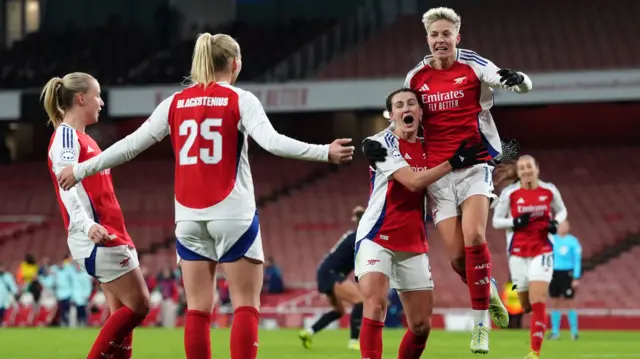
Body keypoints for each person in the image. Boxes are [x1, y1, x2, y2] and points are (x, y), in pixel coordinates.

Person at [56, 33, 354, 359]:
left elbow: (129, 146)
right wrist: (324, 151)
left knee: (198, 309)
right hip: (233, 213)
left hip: (188, 217)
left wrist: (81, 170)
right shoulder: (240, 99)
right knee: (245, 304)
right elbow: (273, 142)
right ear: (235, 64)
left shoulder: (175, 102)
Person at [364, 6, 533, 353]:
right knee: (457, 259)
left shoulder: (472, 64)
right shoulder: (416, 77)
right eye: (434, 35)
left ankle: (480, 326)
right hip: (438, 175)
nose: (440, 40)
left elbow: (504, 78)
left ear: (458, 36)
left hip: (475, 165)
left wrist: (520, 82)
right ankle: (489, 292)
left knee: (474, 237)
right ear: (427, 39)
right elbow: (404, 116)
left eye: (446, 34)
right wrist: (375, 141)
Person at [356, 88, 485, 359]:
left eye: (412, 104)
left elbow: (463, 171)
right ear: (391, 115)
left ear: (420, 112)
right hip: (377, 236)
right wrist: (453, 162)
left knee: (421, 326)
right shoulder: (379, 142)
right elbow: (412, 182)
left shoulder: (430, 148)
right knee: (376, 304)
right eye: (399, 105)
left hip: (414, 241)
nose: (406, 109)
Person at [43, 72, 150, 358]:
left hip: (110, 232)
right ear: (80, 98)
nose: (101, 102)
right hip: (97, 236)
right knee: (140, 306)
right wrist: (87, 225)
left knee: (122, 318)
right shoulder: (66, 136)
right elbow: (67, 186)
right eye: (97, 95)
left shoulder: (83, 138)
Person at [492, 155, 568, 359]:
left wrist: (555, 223)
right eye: (522, 168)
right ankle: (528, 309)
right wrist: (515, 222)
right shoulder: (510, 193)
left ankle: (535, 351)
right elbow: (496, 221)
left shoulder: (549, 190)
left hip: (542, 251)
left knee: (538, 300)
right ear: (518, 172)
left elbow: (561, 212)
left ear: (537, 169)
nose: (526, 170)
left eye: (529, 167)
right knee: (525, 304)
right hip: (518, 253)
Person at [299, 205, 366, 351]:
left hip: (325, 272)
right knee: (359, 301)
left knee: (339, 311)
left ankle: (308, 332)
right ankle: (354, 341)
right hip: (331, 273)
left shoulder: (352, 236)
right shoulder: (358, 238)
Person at [548, 220, 581, 340]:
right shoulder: (551, 240)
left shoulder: (573, 241)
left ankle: (574, 331)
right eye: (561, 225)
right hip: (553, 273)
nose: (563, 228)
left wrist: (576, 277)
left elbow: (577, 260)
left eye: (565, 225)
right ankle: (555, 332)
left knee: (570, 301)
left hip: (567, 273)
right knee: (555, 302)